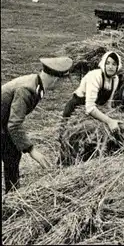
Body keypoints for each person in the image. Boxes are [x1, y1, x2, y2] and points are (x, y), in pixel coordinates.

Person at [1, 56, 73, 194]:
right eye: (62, 81)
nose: (61, 86)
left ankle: (13, 195)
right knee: (11, 152)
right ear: (56, 79)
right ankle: (13, 195)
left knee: (12, 153)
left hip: (3, 124)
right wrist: (32, 150)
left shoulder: (36, 83)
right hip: (4, 125)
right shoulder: (27, 90)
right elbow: (14, 125)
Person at [60, 51, 123, 133]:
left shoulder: (115, 79)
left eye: (114, 64)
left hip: (96, 108)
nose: (110, 67)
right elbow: (89, 108)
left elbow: (108, 103)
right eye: (107, 63)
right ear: (103, 63)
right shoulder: (95, 76)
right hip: (77, 108)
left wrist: (111, 116)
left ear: (118, 66)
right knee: (69, 135)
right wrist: (109, 121)